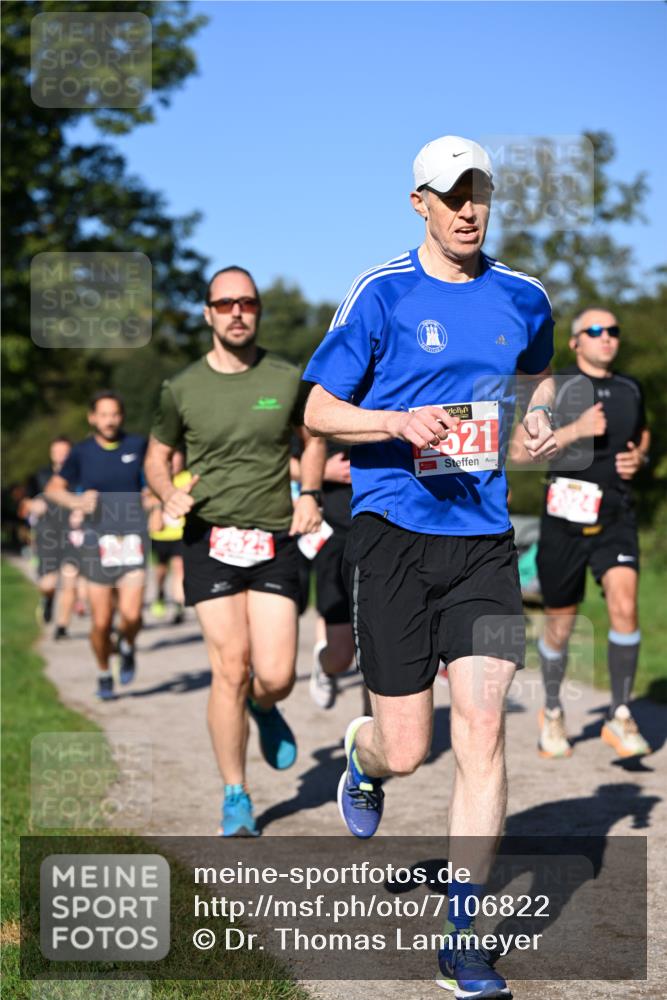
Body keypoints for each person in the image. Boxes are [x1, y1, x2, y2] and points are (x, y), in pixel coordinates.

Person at [303, 135, 558, 998]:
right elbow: (318, 408)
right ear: (418, 202)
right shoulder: (381, 293)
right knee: (408, 750)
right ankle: (361, 757)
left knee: (483, 732)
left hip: (484, 542)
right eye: (450, 194)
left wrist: (532, 420)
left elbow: (538, 373)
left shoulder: (521, 295)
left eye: (478, 190)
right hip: (394, 537)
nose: (467, 208)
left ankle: (461, 935)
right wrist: (393, 425)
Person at [145, 265, 325, 838]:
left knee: (275, 675)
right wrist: (167, 491)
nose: (237, 313)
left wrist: (313, 492)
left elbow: (314, 437)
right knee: (231, 667)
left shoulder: (286, 376)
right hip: (211, 538)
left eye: (246, 303)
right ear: (208, 314)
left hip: (274, 537)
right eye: (224, 304)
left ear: (258, 311)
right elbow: (156, 455)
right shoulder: (181, 388)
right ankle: (235, 794)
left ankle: (265, 707)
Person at [519, 307, 651, 759]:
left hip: (616, 515)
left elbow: (642, 435)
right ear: (575, 343)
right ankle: (553, 711)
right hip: (566, 517)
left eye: (613, 330)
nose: (606, 337)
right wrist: (577, 428)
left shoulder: (631, 387)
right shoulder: (557, 389)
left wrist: (640, 460)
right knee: (561, 621)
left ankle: (619, 715)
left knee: (625, 605)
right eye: (595, 331)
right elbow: (525, 449)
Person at [46, 392, 148, 699]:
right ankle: (104, 673)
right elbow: (53, 489)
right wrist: (76, 500)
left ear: (122, 417)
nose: (109, 420)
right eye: (103, 415)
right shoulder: (81, 452)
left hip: (132, 539)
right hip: (95, 543)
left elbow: (155, 482)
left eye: (115, 414)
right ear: (92, 418)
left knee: (131, 616)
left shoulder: (137, 446)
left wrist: (152, 501)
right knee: (101, 622)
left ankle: (128, 645)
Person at [23, 436, 79, 637]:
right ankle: (47, 599)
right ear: (51, 453)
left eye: (65, 452)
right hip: (47, 535)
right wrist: (33, 505)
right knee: (48, 583)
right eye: (58, 451)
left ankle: (62, 626)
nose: (62, 455)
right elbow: (25, 503)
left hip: (72, 535)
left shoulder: (78, 476)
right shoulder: (40, 475)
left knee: (70, 580)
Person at [146, 450, 190, 624]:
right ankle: (160, 594)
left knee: (179, 568)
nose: (175, 464)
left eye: (178, 460)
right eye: (171, 460)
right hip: (160, 533)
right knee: (161, 571)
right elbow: (146, 501)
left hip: (180, 533)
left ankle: (179, 605)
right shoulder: (157, 479)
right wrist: (159, 501)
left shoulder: (188, 478)